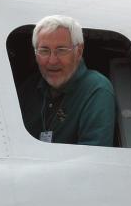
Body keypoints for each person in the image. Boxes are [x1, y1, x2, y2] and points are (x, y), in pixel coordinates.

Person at [19, 15, 116, 146]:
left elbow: (93, 157)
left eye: (61, 50)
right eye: (44, 50)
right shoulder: (29, 87)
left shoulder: (97, 89)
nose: (52, 61)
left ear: (79, 52)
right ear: (35, 54)